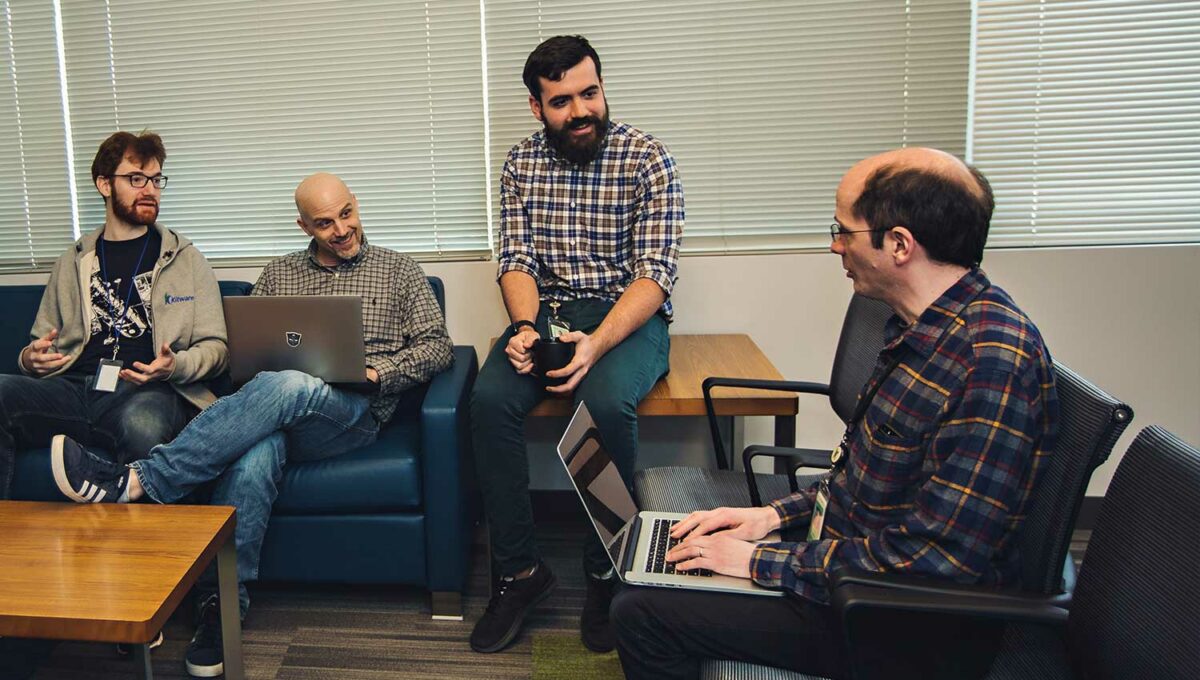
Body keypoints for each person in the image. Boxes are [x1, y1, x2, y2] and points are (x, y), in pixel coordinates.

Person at [610, 148, 1059, 680]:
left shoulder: (989, 363)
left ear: (898, 245)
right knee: (660, 568)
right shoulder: (918, 328)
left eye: (844, 230)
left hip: (896, 626)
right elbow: (862, 482)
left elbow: (935, 564)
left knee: (641, 612)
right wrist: (770, 518)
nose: (834, 244)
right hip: (852, 567)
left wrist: (757, 562)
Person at [50, 172, 454, 678]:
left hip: (353, 414)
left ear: (356, 205)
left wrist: (377, 374)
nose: (341, 230)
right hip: (276, 411)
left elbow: (437, 347)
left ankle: (142, 480)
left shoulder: (400, 271)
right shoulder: (280, 274)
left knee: (288, 385)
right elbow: (242, 354)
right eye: (325, 223)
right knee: (255, 448)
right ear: (302, 224)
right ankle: (220, 610)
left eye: (346, 214)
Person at [469, 35, 684, 655]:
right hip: (547, 312)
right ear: (537, 107)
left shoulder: (648, 159)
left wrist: (596, 345)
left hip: (627, 318)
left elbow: (654, 274)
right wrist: (527, 328)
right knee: (488, 402)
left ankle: (603, 570)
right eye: (562, 101)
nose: (581, 109)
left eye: (590, 92)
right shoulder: (520, 164)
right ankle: (519, 574)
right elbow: (516, 260)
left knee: (607, 406)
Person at [0, 131, 226, 501]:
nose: (150, 190)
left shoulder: (186, 259)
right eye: (136, 179)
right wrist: (30, 358)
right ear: (104, 184)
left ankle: (144, 556)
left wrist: (175, 366)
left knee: (143, 424)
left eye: (156, 180)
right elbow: (40, 342)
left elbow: (217, 348)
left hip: (148, 389)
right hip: (73, 387)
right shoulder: (73, 261)